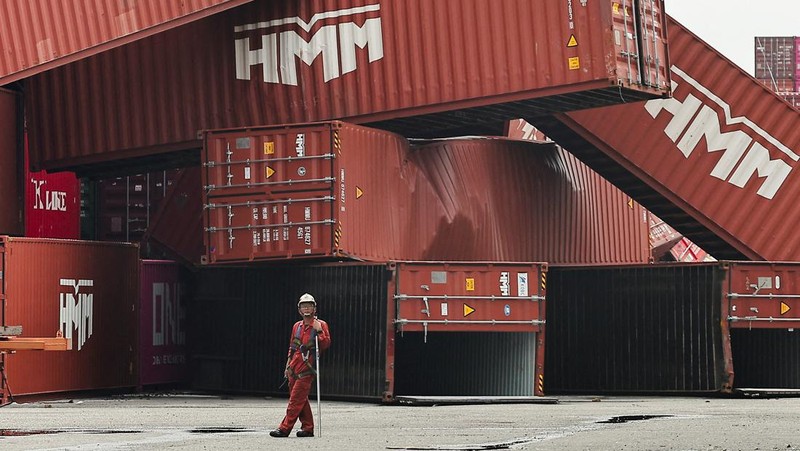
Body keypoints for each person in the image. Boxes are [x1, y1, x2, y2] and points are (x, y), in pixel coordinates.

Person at [270, 293, 331, 438]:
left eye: (309, 305)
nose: (306, 308)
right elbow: (292, 347)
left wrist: (319, 331)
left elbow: (325, 344)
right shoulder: (297, 326)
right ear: (299, 310)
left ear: (314, 308)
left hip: (306, 369)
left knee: (296, 400)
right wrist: (287, 365)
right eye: (304, 306)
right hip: (293, 368)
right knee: (301, 399)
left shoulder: (320, 325)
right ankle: (308, 428)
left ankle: (284, 428)